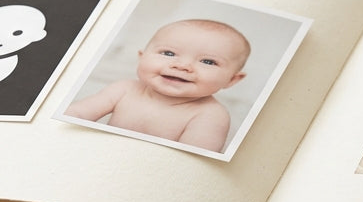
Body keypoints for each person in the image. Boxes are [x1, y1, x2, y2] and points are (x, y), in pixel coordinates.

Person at [65, 18, 250, 152]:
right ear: (141, 57)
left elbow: (192, 162)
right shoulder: (123, 89)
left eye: (208, 62)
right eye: (169, 53)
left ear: (232, 80)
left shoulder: (210, 115)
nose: (182, 66)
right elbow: (76, 114)